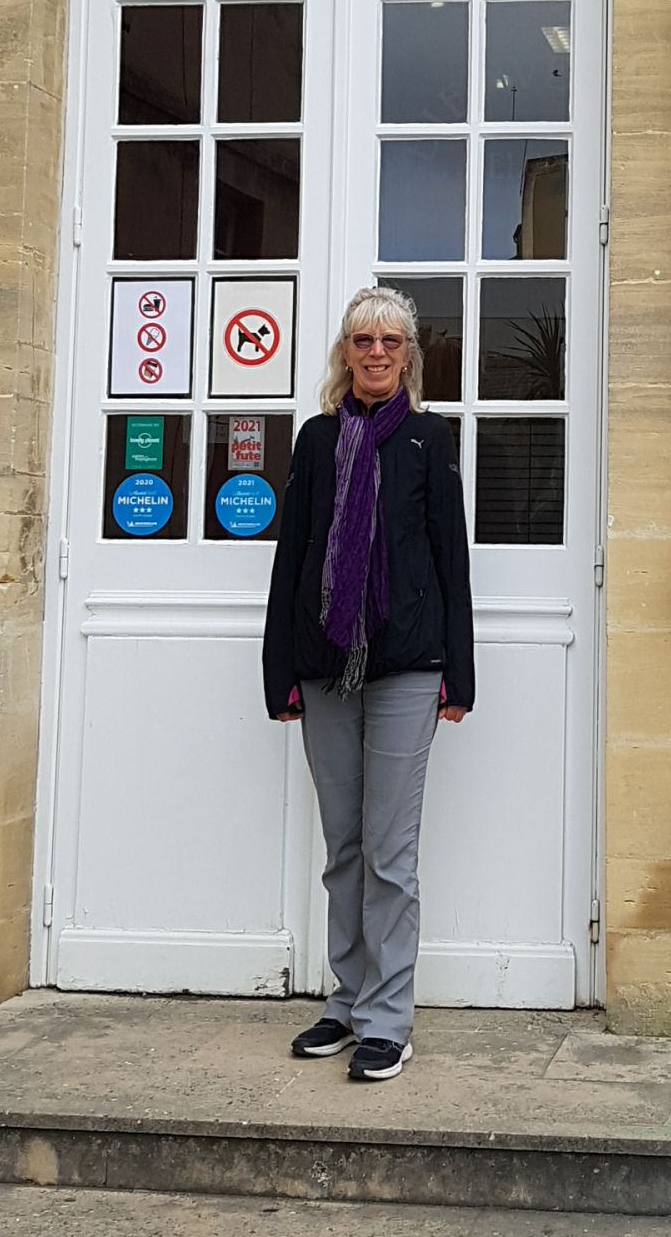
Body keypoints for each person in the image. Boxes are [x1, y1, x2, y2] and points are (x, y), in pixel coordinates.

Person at [263, 285, 473, 1082]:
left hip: (408, 665)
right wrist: (280, 671)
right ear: (345, 353)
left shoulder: (427, 438)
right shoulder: (318, 440)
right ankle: (347, 1003)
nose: (376, 351)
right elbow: (293, 555)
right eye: (363, 340)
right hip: (324, 663)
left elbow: (450, 556)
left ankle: (388, 1018)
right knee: (344, 846)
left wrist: (460, 672)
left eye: (390, 340)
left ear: (408, 354)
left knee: (390, 851)